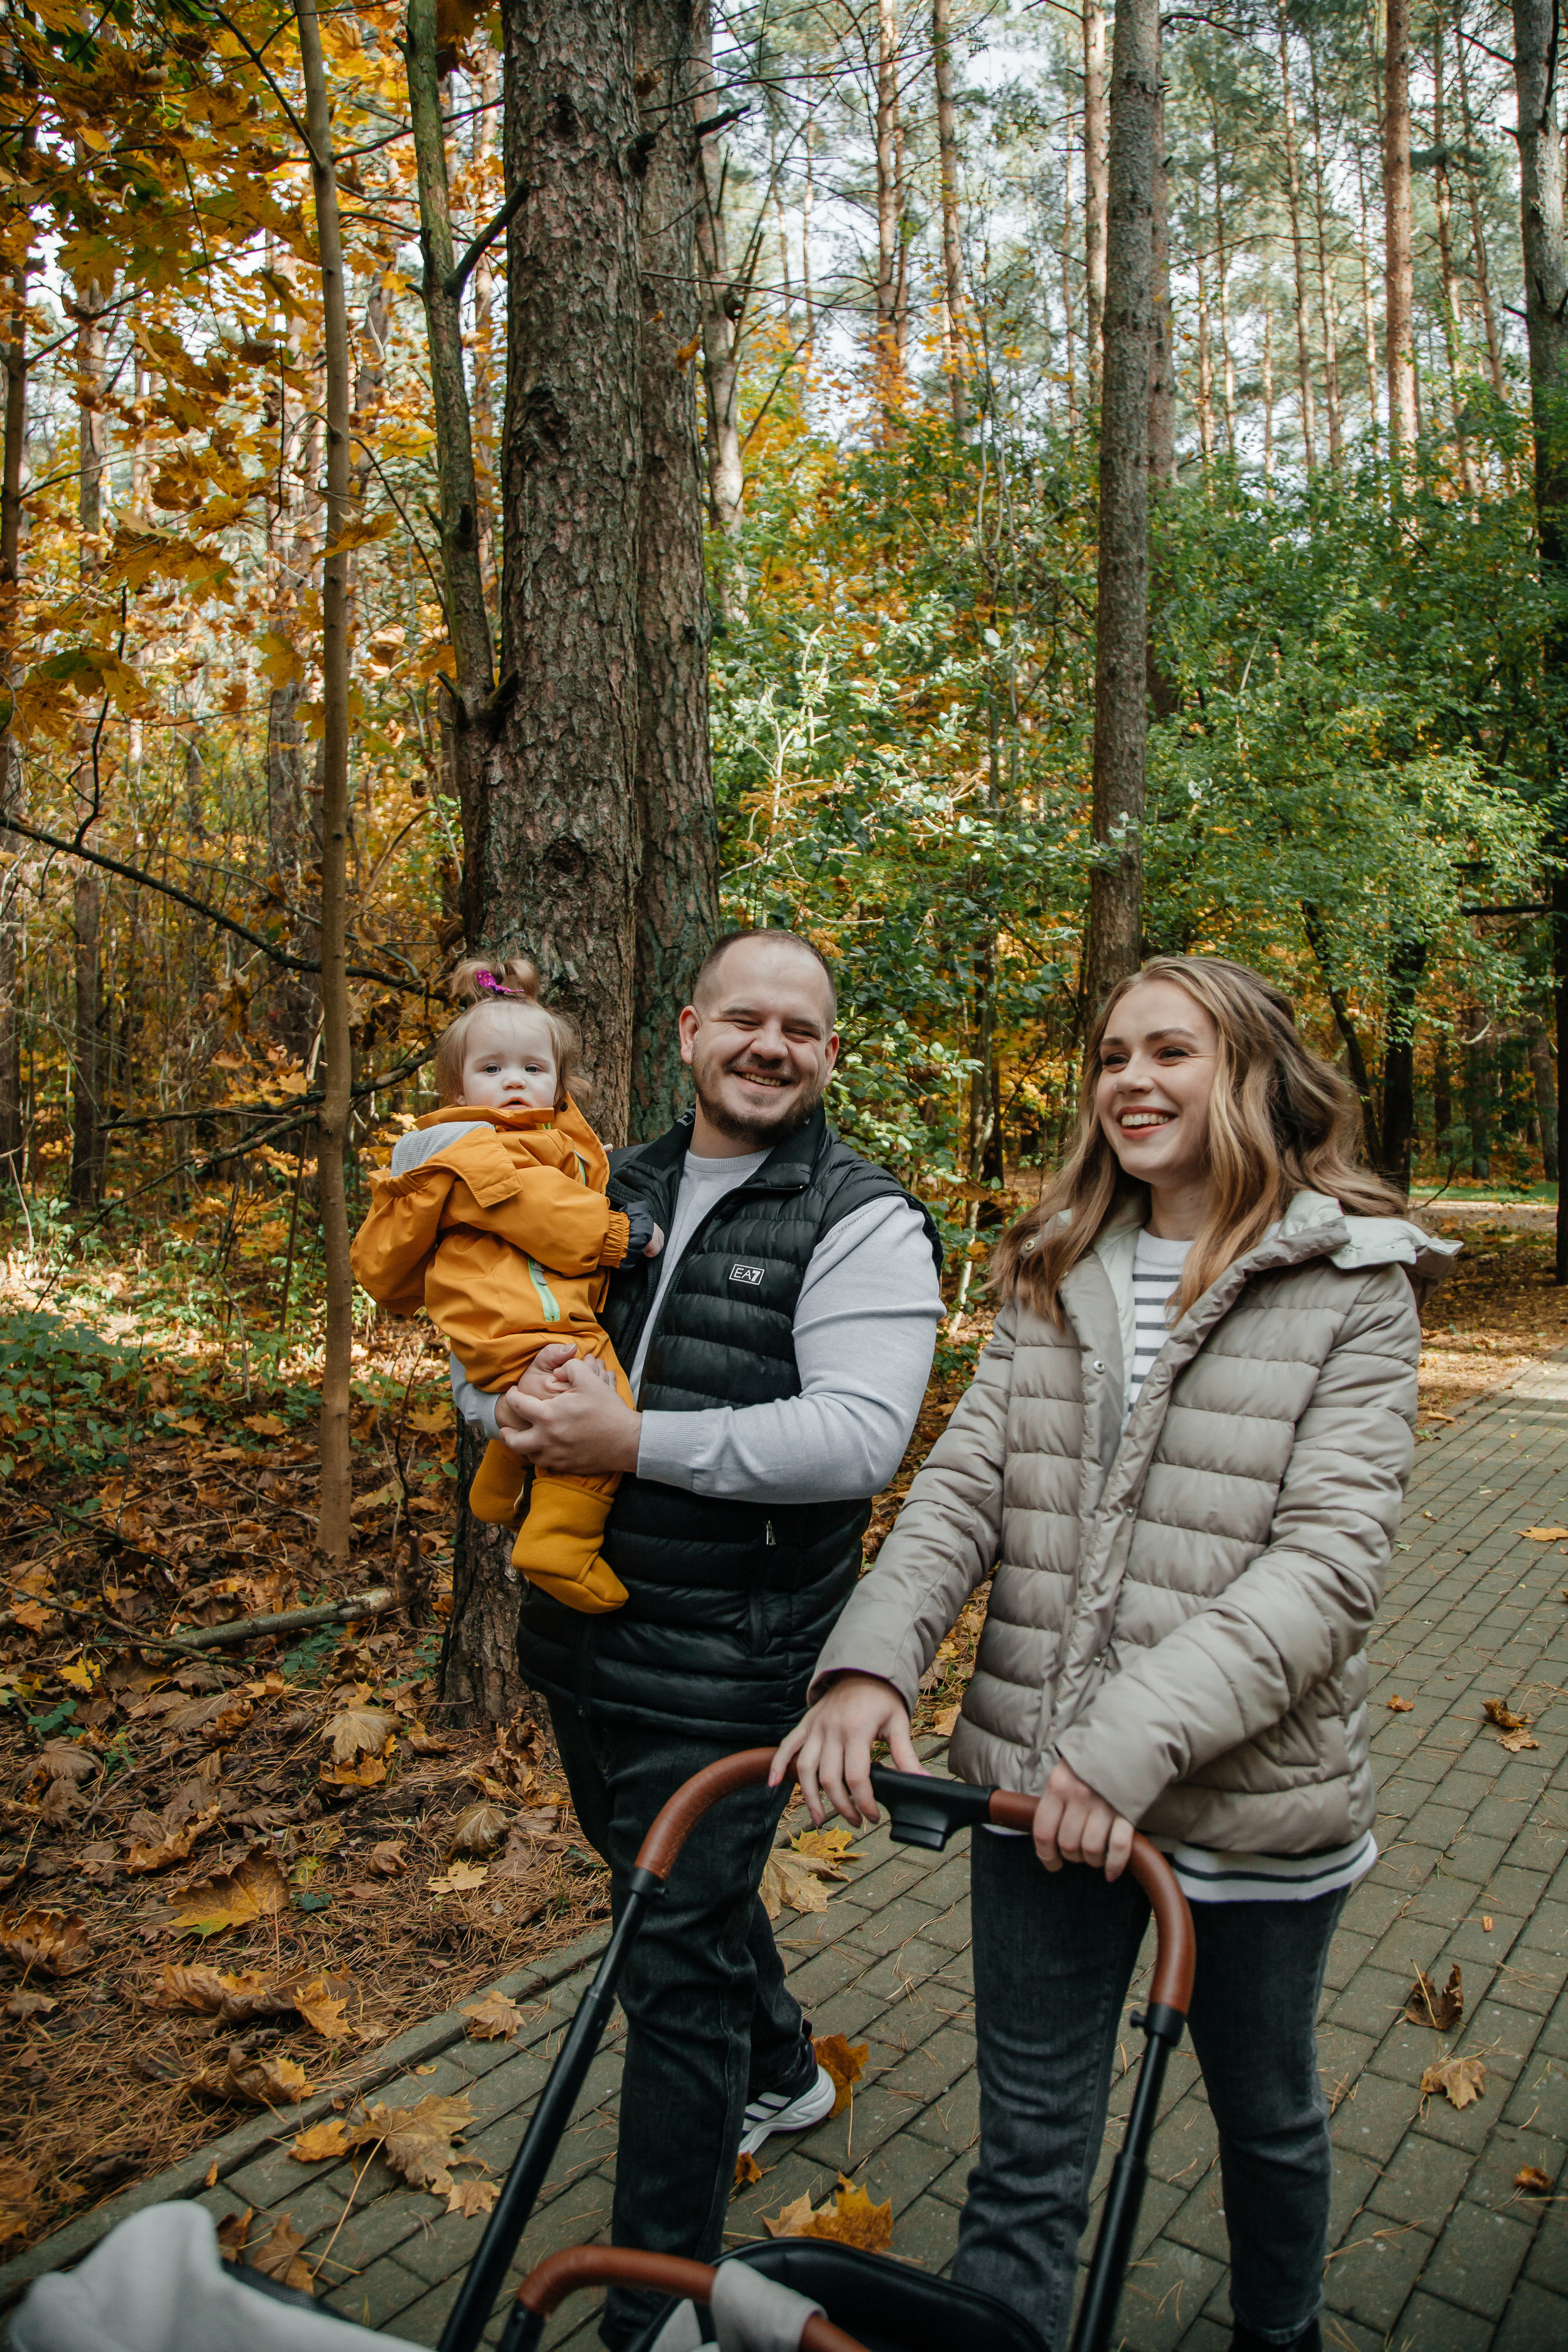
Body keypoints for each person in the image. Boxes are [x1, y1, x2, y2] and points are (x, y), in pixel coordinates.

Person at [772, 955, 1458, 2352]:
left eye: (1169, 1051)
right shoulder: (1053, 1263)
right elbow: (966, 1485)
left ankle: (1281, 2333)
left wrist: (1123, 1740)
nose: (1129, 1080)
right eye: (1109, 1056)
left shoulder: (1351, 1283)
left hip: (1246, 1806)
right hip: (1034, 1793)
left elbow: (1324, 1569)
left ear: (1250, 1075)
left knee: (1263, 2118)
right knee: (1023, 2155)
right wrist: (867, 1662)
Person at [468, 927, 945, 2351]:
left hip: (733, 1651)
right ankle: (791, 2068)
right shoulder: (594, 1184)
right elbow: (488, 1328)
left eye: (798, 1029)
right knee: (659, 1882)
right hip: (585, 1630)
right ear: (686, 1031)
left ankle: (649, 2314)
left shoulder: (864, 1215)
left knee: (665, 1979)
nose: (767, 1046)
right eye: (743, 1018)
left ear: (828, 1054)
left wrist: (630, 1436)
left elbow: (858, 1435)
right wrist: (497, 1402)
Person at [349, 957, 664, 1614]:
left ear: (561, 1084)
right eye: (491, 1070)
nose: (514, 1083)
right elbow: (538, 1210)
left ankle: (499, 1481)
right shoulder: (479, 1149)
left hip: (508, 1315)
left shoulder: (528, 1140)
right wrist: (619, 1237)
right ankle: (560, 1540)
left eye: (533, 1069)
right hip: (524, 1316)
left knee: (544, 1399)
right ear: (456, 1085)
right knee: (602, 1403)